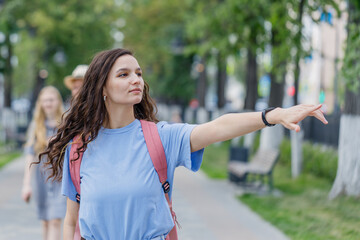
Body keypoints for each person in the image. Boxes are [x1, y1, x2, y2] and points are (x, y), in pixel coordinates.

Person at [39, 48, 328, 240]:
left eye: (138, 73)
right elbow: (70, 220)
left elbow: (218, 126)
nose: (136, 79)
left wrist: (273, 115)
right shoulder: (79, 149)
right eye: (124, 74)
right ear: (102, 87)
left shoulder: (160, 137)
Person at [22, 86, 67, 240]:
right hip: (41, 179)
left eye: (51, 100)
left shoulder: (65, 124)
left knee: (55, 220)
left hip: (59, 179)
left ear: (57, 102)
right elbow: (30, 156)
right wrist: (26, 185)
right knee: (46, 221)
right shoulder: (36, 127)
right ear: (40, 103)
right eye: (45, 100)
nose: (48, 103)